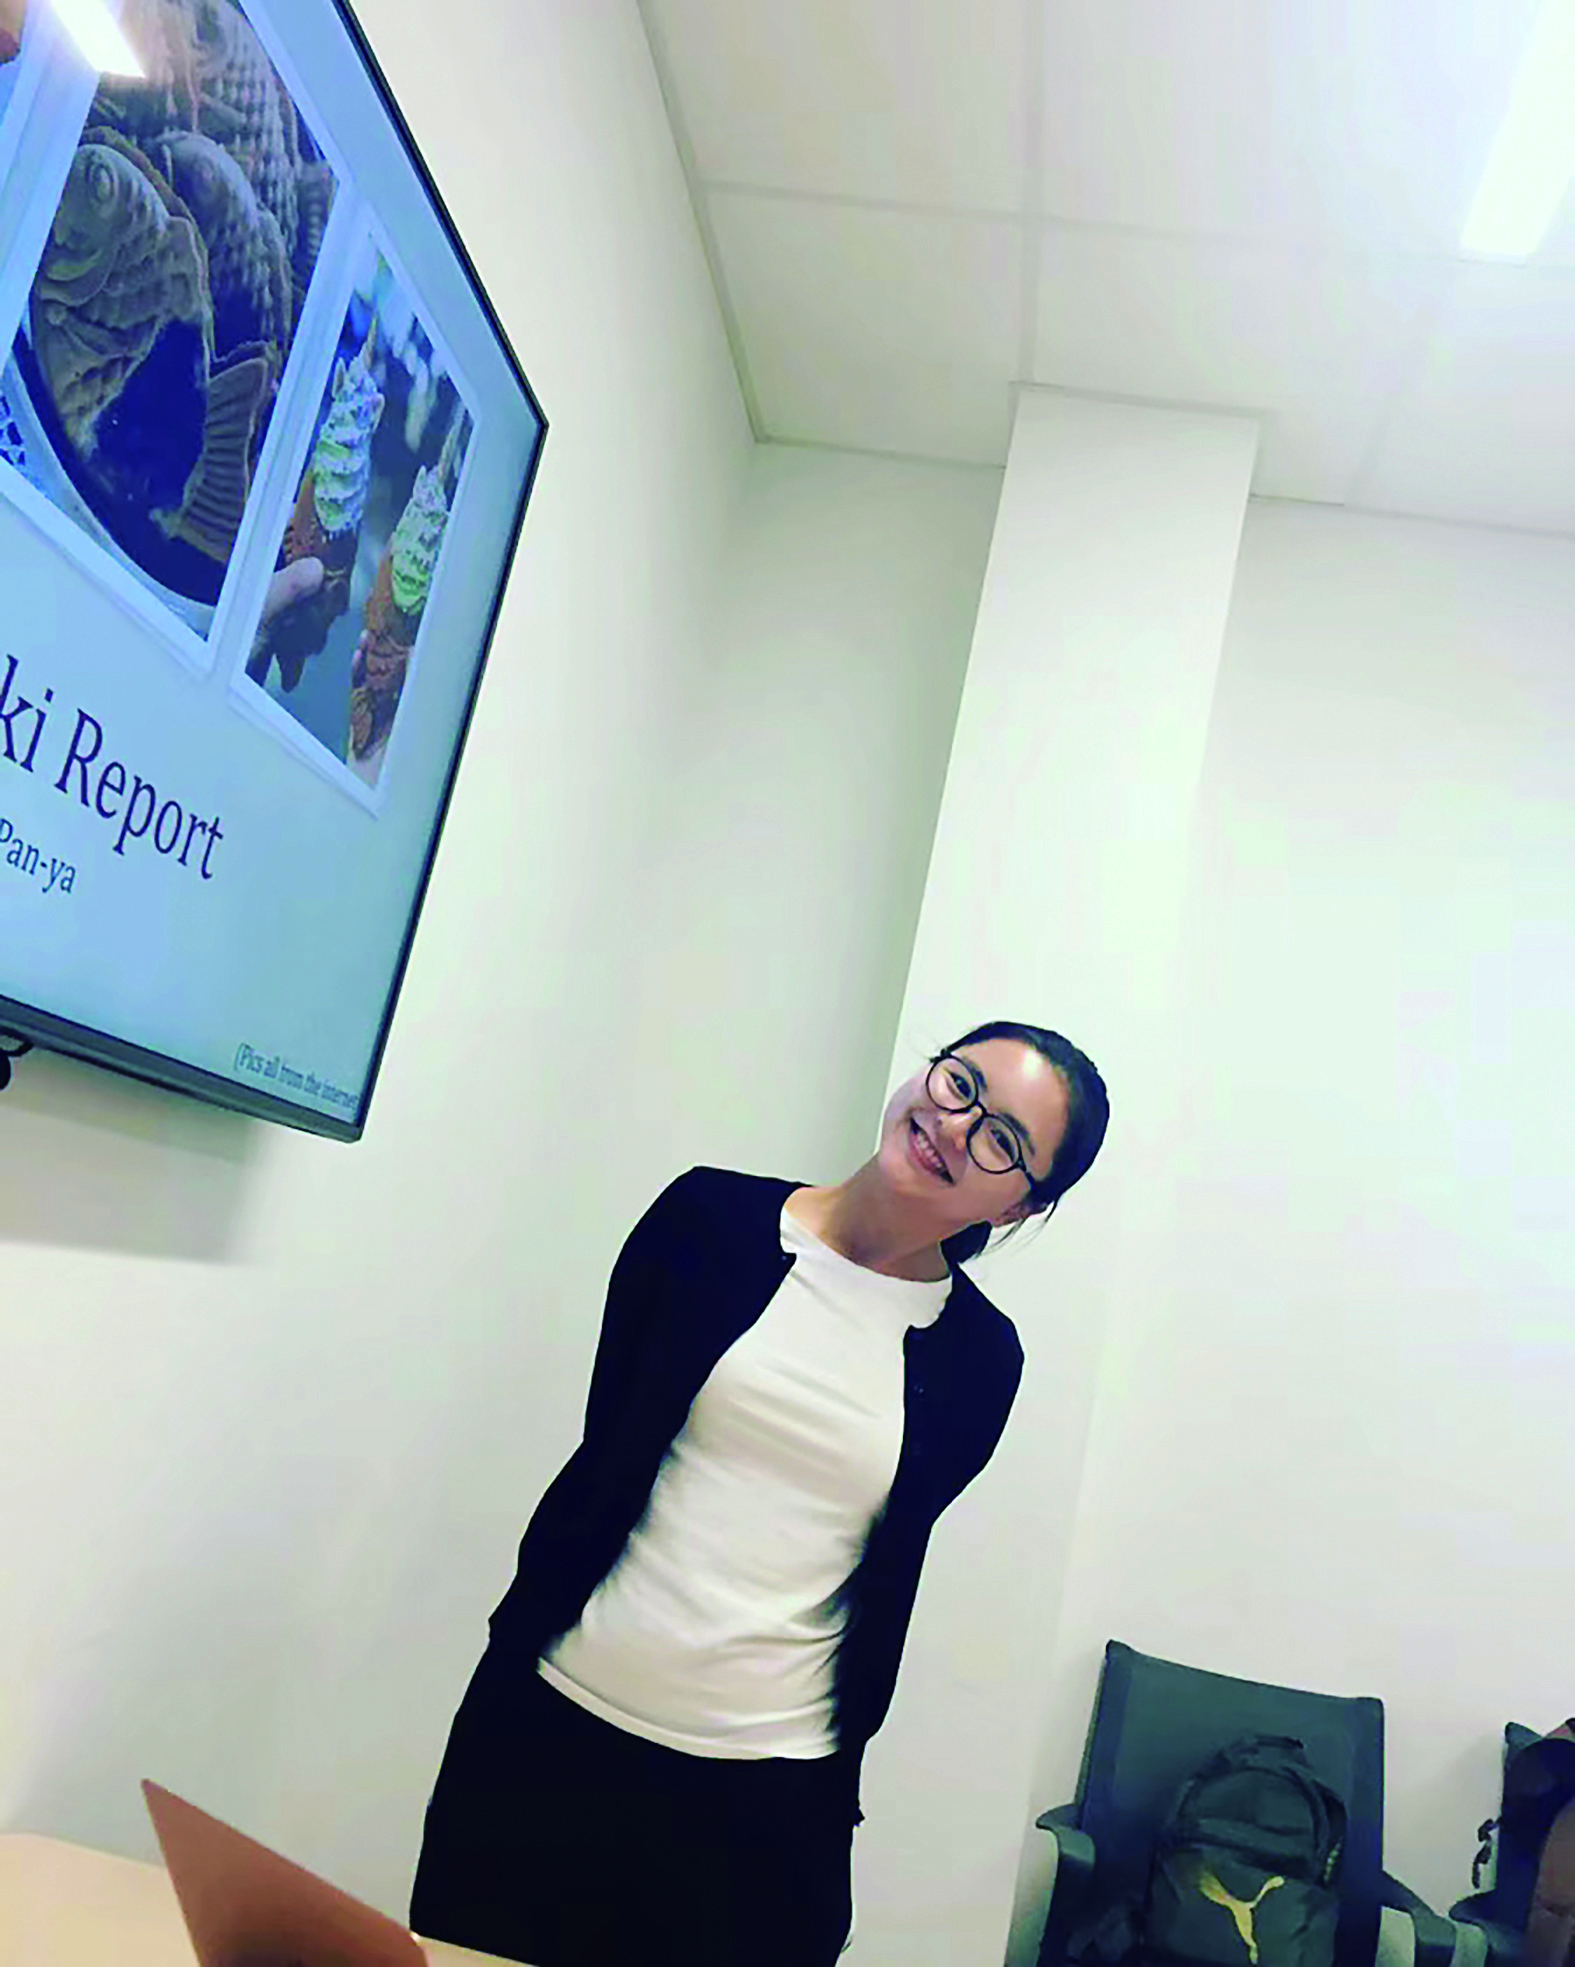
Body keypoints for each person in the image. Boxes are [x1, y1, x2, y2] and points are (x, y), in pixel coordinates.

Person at [410, 1019, 1110, 1967]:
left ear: (1022, 1204)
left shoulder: (980, 1360)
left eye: (1000, 1140)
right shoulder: (704, 1219)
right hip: (547, 1730)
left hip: (765, 1806)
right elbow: (613, 1434)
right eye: (960, 1084)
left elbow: (880, 1550)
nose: (954, 1125)